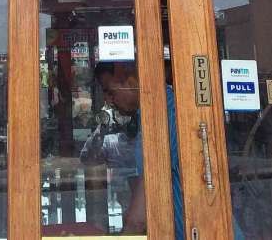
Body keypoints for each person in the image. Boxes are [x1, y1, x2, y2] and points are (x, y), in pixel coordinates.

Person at [94, 60, 246, 240]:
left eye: (111, 92)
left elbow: (139, 218)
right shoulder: (153, 113)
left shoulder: (162, 115)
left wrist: (127, 231)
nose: (109, 100)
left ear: (129, 78)